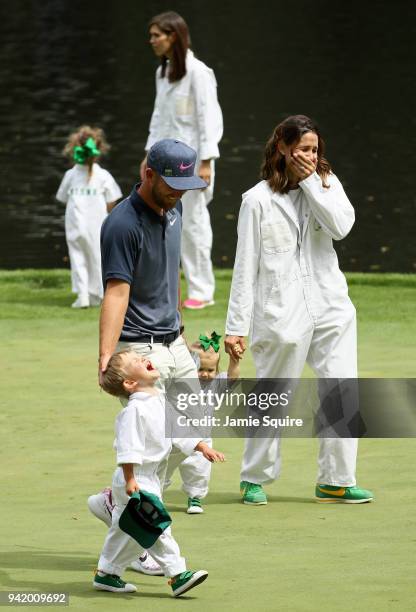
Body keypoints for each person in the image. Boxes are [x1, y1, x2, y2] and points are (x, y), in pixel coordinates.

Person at [224, 115, 374, 506]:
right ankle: (254, 477)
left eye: (315, 150)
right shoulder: (255, 200)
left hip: (330, 304)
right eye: (303, 150)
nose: (310, 156)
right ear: (282, 149)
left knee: (341, 386)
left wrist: (312, 183)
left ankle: (336, 480)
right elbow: (244, 268)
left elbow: (342, 226)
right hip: (279, 310)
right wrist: (235, 327)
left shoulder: (327, 184)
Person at [88, 138, 213, 575]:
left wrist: (178, 322)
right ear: (148, 174)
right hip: (139, 346)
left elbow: (166, 270)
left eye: (185, 183)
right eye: (171, 183)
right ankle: (135, 539)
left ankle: (114, 501)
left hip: (173, 339)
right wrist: (107, 355)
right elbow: (116, 290)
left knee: (196, 431)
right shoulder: (121, 224)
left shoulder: (174, 208)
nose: (179, 191)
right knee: (151, 446)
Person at [94, 348, 225, 596]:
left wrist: (201, 446)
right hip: (136, 479)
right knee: (157, 526)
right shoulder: (133, 411)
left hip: (151, 477)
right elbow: (128, 447)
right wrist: (131, 479)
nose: (143, 359)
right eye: (136, 361)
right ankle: (177, 575)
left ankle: (107, 574)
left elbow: (178, 430)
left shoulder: (159, 400)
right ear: (130, 382)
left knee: (125, 531)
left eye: (141, 357)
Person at [141, 10, 223, 310]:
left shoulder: (198, 73)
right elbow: (158, 117)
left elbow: (208, 118)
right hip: (163, 160)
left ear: (172, 36)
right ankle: (164, 285)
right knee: (158, 219)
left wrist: (206, 160)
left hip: (192, 161)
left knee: (194, 223)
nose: (152, 41)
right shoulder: (162, 74)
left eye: (156, 36)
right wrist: (149, 155)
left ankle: (202, 290)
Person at [56, 125, 122, 308]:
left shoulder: (70, 175)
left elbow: (62, 198)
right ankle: (99, 294)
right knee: (98, 257)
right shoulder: (103, 175)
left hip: (75, 223)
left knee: (78, 257)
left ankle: (83, 296)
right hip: (98, 225)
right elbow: (113, 201)